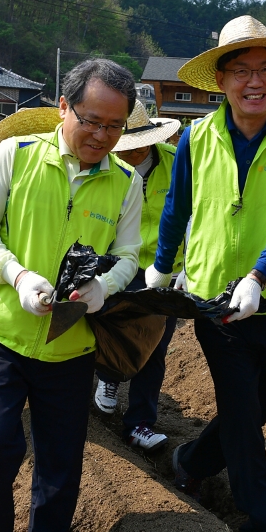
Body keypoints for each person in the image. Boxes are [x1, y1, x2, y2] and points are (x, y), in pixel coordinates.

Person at [144, 15, 266, 532]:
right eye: (241, 70)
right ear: (221, 80)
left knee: (257, 406)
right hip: (212, 297)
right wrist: (160, 267)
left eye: (265, 69)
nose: (255, 81)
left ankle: (191, 460)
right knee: (244, 415)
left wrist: (260, 276)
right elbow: (177, 210)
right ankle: (264, 524)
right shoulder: (197, 137)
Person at [0, 59, 142, 532]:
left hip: (71, 342)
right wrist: (19, 275)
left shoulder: (125, 182)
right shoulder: (13, 158)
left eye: (114, 127)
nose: (101, 136)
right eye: (91, 120)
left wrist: (107, 286)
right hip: (4, 332)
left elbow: (129, 254)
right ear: (63, 107)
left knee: (62, 456)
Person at [93, 100, 182, 452]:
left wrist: (187, 267)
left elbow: (197, 214)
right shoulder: (103, 168)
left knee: (155, 346)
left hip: (164, 270)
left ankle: (140, 423)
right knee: (110, 332)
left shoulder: (176, 165)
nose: (136, 151)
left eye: (141, 143)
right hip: (116, 265)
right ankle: (109, 378)